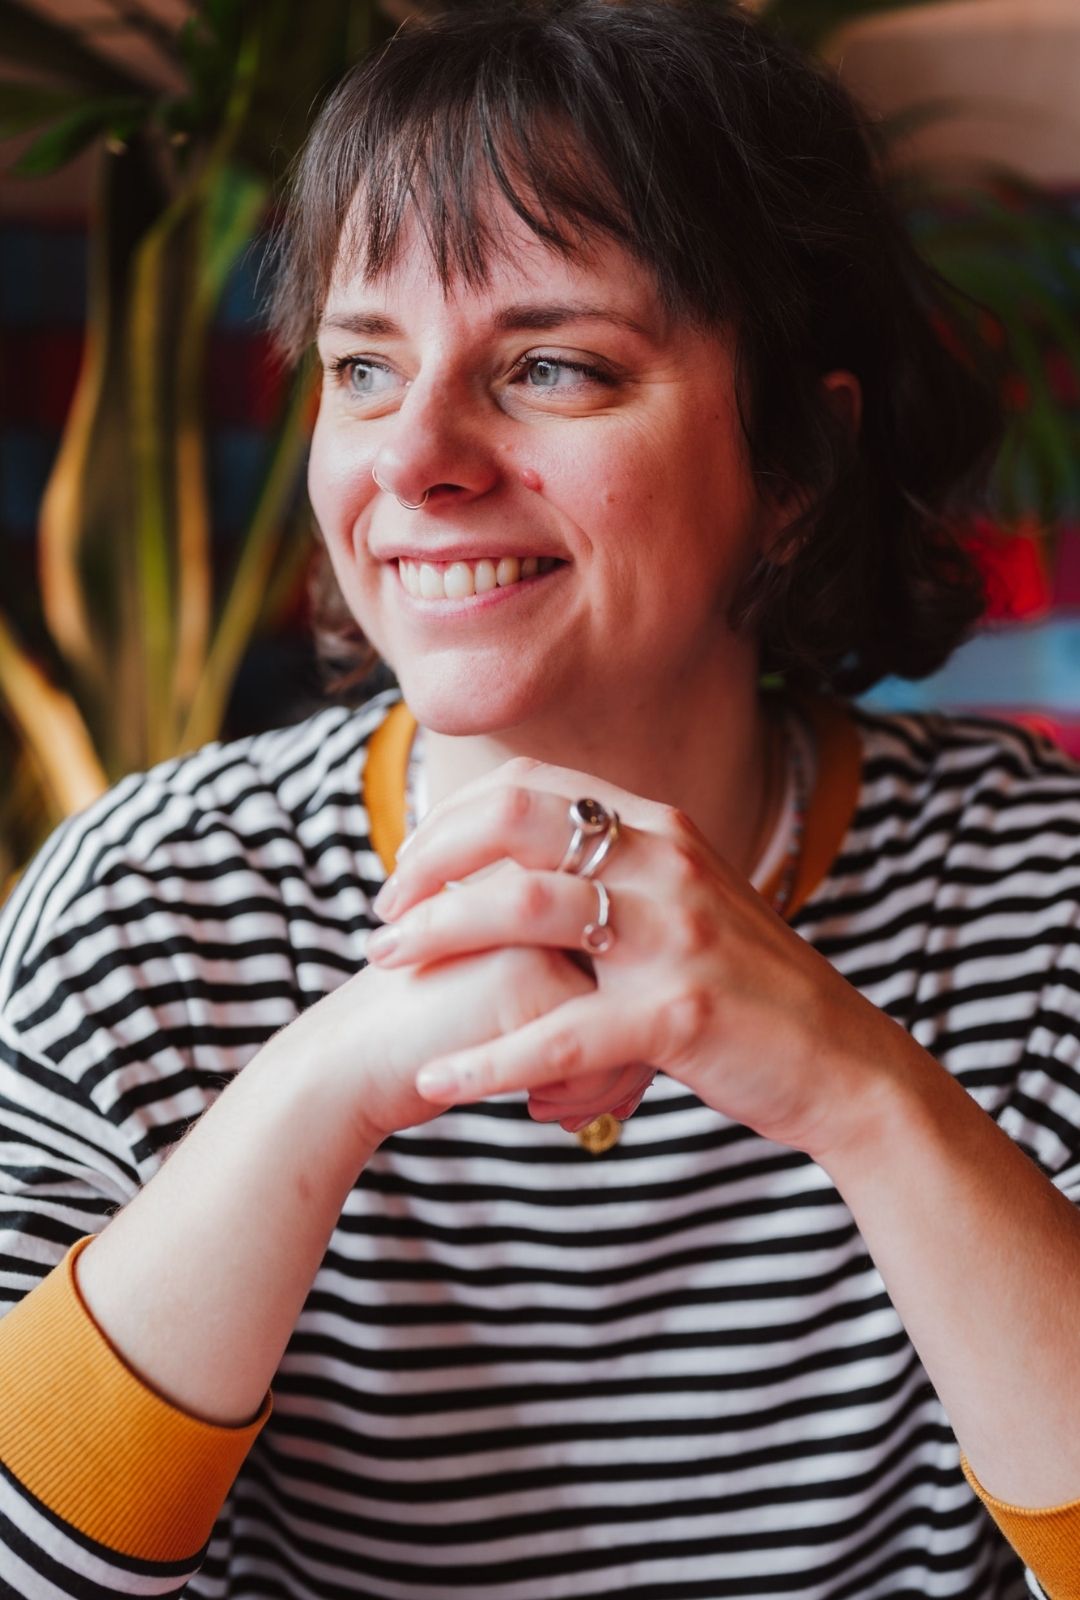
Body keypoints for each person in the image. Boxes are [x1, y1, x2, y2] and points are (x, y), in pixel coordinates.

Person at [1, 2, 1079, 1596]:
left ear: (794, 460)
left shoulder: (1039, 896)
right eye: (364, 365)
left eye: (553, 365)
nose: (414, 457)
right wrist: (327, 1083)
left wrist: (859, 1092)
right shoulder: (146, 908)